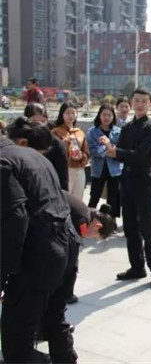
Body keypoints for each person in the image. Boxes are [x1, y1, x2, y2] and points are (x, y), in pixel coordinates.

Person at [1, 118, 79, 363]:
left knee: (17, 344)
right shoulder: (36, 158)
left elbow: (15, 220)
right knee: (54, 322)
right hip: (66, 248)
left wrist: (2, 273)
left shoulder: (4, 163)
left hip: (38, 258)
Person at [104, 88, 151, 289]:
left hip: (144, 180)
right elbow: (120, 154)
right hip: (127, 179)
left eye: (144, 101)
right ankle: (137, 267)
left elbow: (140, 155)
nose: (139, 104)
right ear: (131, 102)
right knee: (130, 228)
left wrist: (117, 151)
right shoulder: (128, 127)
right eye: (136, 100)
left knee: (147, 227)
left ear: (150, 103)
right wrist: (114, 151)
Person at [87, 104, 122, 218]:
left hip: (114, 169)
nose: (106, 117)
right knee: (95, 195)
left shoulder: (118, 131)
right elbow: (93, 151)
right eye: (104, 114)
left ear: (113, 116)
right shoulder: (92, 131)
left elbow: (119, 150)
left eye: (109, 115)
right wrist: (108, 148)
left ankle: (111, 221)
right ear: (99, 115)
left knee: (114, 197)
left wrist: (107, 146)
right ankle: (89, 218)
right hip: (98, 168)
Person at [24, 102, 69, 190]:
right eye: (34, 122)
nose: (39, 125)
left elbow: (63, 177)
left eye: (42, 121)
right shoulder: (20, 141)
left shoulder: (56, 144)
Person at [52, 101, 90, 200]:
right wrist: (65, 143)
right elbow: (52, 151)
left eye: (73, 113)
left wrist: (82, 156)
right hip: (64, 168)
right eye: (68, 113)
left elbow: (86, 151)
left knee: (78, 198)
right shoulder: (56, 131)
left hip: (79, 168)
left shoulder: (79, 132)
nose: (71, 116)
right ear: (62, 114)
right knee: (65, 197)